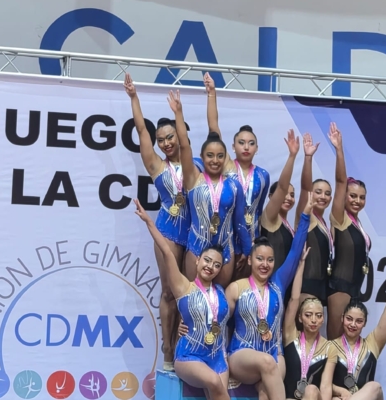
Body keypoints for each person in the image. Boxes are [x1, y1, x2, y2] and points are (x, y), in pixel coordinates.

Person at [124, 73, 202, 370]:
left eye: (171, 137)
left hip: (194, 235)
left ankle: (186, 347)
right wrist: (134, 98)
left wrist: (178, 113)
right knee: (169, 291)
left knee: (190, 293)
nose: (166, 143)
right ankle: (168, 350)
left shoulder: (197, 164)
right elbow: (141, 130)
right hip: (168, 232)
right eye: (161, 140)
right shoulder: (156, 166)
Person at [133, 199, 230, 400]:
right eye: (207, 260)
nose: (210, 266)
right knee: (214, 382)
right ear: (197, 260)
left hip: (218, 359)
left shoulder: (221, 292)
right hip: (189, 356)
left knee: (217, 391)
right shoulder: (183, 286)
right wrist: (148, 221)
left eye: (217, 265)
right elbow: (167, 253)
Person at [225, 193, 313, 400]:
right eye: (260, 259)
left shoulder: (278, 283)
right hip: (242, 354)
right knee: (267, 363)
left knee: (266, 391)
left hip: (274, 352)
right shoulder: (236, 288)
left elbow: (295, 252)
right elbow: (218, 321)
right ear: (250, 260)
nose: (265, 264)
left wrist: (306, 215)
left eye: (270, 260)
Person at [167, 89, 252, 288]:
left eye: (220, 156)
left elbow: (240, 222)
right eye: (210, 156)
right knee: (193, 298)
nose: (215, 160)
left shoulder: (234, 185)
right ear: (202, 157)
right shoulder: (193, 179)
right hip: (196, 247)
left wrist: (247, 249)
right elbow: (184, 145)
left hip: (226, 251)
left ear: (226, 158)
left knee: (219, 300)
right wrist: (178, 114)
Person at [204, 72, 270, 278]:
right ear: (233, 147)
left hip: (251, 240)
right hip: (227, 238)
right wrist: (212, 93)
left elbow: (258, 210)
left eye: (251, 143)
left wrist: (251, 246)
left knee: (245, 289)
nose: (246, 147)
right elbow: (214, 128)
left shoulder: (263, 176)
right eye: (241, 143)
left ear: (257, 148)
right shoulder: (228, 167)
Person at [325, 268, 386, 400]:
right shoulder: (329, 347)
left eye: (359, 321)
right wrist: (339, 391)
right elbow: (323, 383)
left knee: (374, 386)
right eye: (349, 319)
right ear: (342, 318)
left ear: (365, 323)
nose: (353, 324)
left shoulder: (373, 343)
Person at [327, 122, 370, 340]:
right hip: (340, 289)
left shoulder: (357, 224)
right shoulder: (340, 219)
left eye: (361, 197)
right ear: (343, 197)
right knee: (335, 343)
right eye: (352, 196)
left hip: (354, 289)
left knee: (347, 346)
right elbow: (340, 181)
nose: (357, 200)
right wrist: (339, 149)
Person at [282, 245, 332, 400]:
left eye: (318, 315)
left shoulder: (329, 347)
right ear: (300, 318)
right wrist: (301, 265)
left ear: (323, 319)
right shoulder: (291, 336)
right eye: (308, 315)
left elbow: (325, 386)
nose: (313, 320)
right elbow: (294, 299)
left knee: (311, 390)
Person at [294, 133, 332, 307]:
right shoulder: (307, 217)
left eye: (327, 193)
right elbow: (305, 188)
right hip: (305, 285)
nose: (323, 196)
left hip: (322, 286)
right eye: (318, 192)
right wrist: (308, 158)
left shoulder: (324, 223)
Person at [259, 130, 300, 273]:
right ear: (271, 197)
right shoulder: (269, 217)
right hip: (269, 281)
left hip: (285, 282)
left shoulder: (287, 225)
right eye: (285, 194)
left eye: (292, 195)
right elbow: (282, 187)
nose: (288, 198)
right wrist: (292, 156)